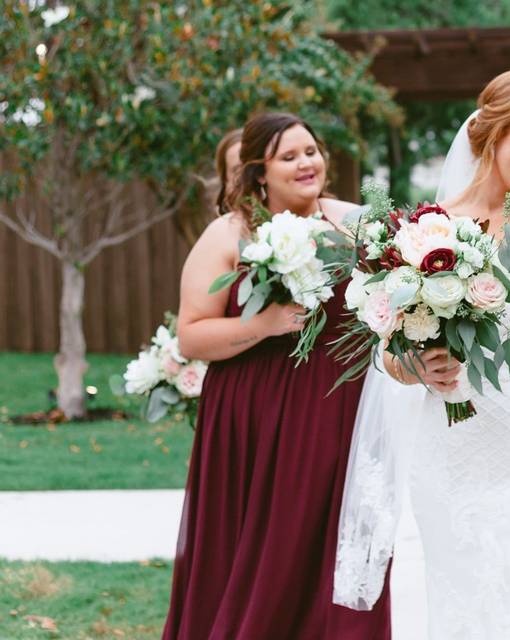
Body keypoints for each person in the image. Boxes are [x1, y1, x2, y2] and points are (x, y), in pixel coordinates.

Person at [163, 112, 390, 639]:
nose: (306, 163)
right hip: (256, 411)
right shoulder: (231, 232)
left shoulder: (357, 222)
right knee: (267, 546)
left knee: (333, 540)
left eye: (311, 151)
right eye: (289, 157)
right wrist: (264, 323)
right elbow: (191, 336)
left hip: (339, 407)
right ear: (259, 172)